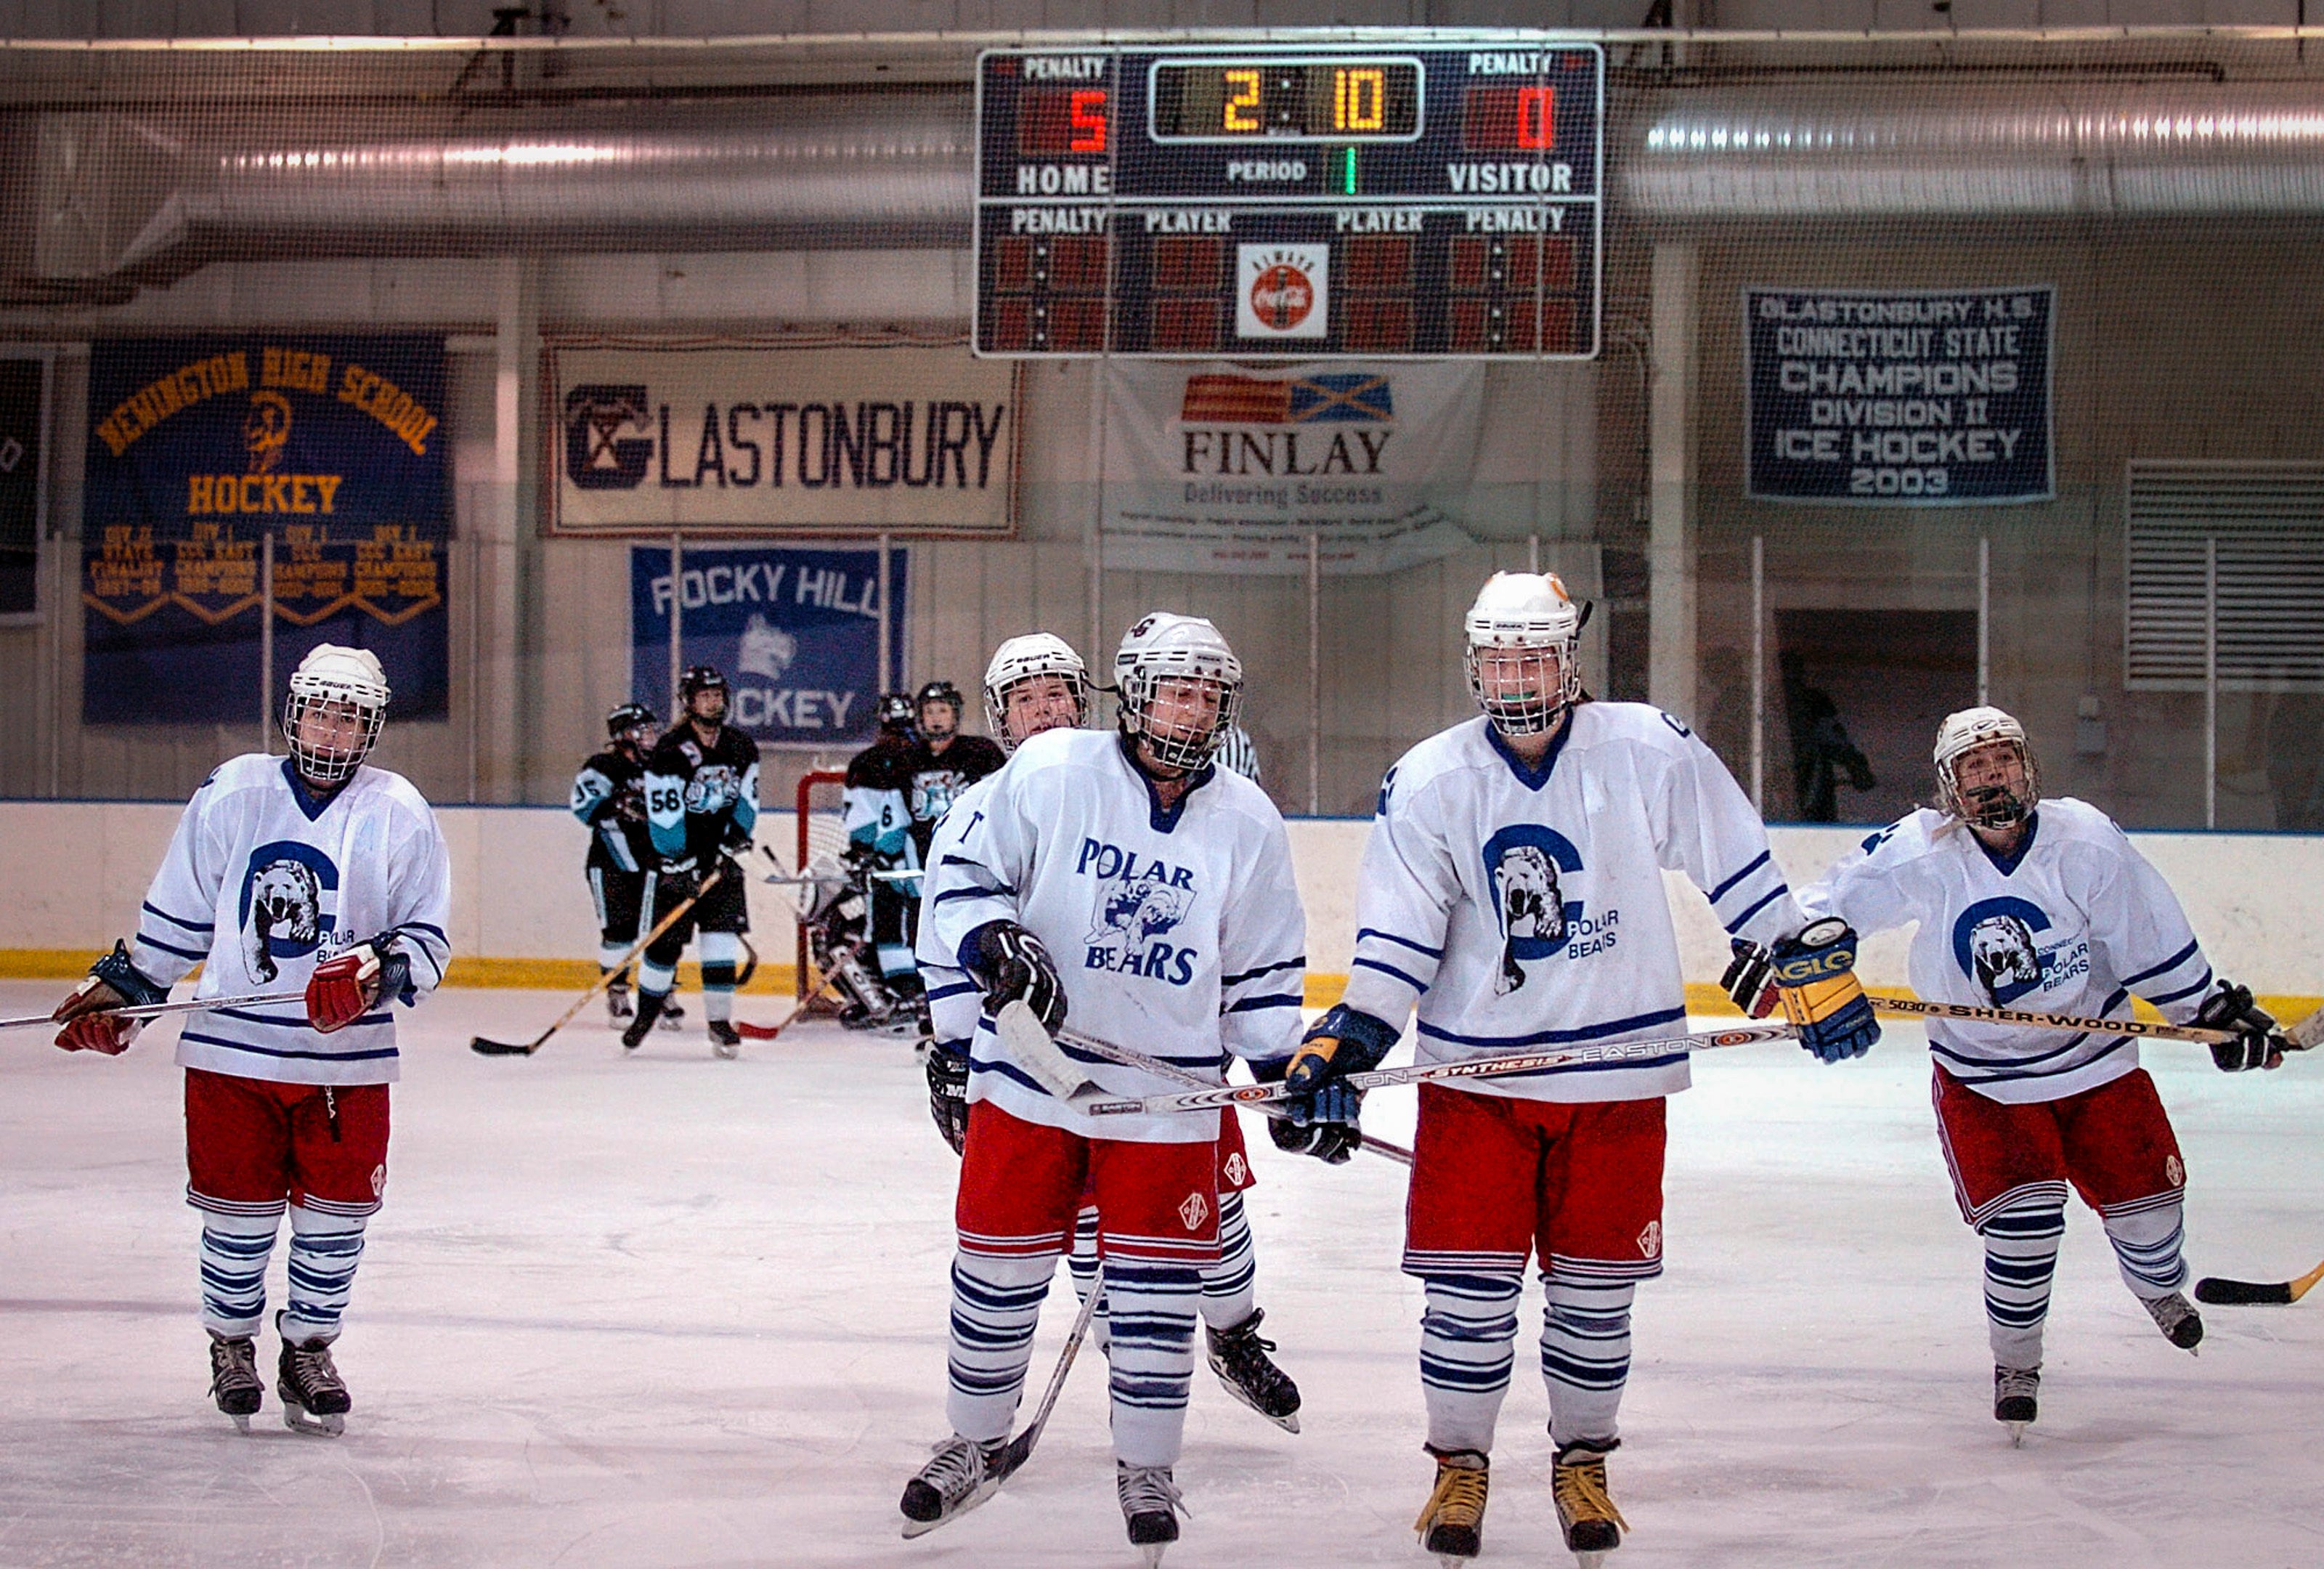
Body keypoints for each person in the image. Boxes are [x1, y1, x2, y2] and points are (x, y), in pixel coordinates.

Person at [1281, 572, 1878, 1567]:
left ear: (1571, 660)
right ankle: (1460, 1466)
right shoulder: (1429, 780)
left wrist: (1794, 960)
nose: (1518, 677)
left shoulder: (1648, 747)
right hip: (1479, 1090)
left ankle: (1584, 1459)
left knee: (1597, 1300)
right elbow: (1395, 945)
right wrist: (1349, 1040)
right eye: (1501, 659)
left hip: (1618, 1081)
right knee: (1467, 1303)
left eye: (1537, 656)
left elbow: (1735, 860)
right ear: (1476, 664)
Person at [1733, 705, 2289, 1439]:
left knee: (2151, 1217)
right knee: (2021, 1236)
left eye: (2001, 761)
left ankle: (2157, 1289)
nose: (1990, 776)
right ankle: (2015, 1361)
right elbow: (1829, 906)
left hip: (2095, 1068)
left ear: (2026, 768)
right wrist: (1772, 950)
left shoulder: (2082, 841)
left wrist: (2209, 1010)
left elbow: (2146, 933)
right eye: (1973, 767)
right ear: (1947, 786)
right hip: (1983, 1082)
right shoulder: (1920, 851)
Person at [899, 613, 1307, 1561]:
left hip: (1165, 1110)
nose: (1191, 709)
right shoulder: (1051, 777)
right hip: (1032, 1083)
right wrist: (986, 953)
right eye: (1176, 687)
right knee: (996, 1274)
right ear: (1132, 690)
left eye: (1209, 694)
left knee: (1158, 1290)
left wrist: (1290, 1072)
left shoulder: (1246, 817)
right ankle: (970, 1439)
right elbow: (961, 880)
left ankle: (1148, 1463)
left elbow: (1261, 973)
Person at [49, 643, 451, 1438]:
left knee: (336, 1220)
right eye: (319, 712)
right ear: (293, 712)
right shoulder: (234, 791)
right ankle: (231, 1344)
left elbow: (427, 943)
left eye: (349, 718)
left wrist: (376, 972)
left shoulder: (398, 809)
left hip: (347, 1062)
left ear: (371, 728)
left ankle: (306, 1349)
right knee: (235, 1219)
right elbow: (181, 910)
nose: (331, 732)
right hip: (232, 1055)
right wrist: (128, 988)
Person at [622, 666, 760, 1058]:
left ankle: (720, 1024)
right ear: (689, 702)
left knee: (720, 941)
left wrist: (736, 838)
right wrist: (678, 862)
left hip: (721, 863)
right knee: (664, 949)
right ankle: (645, 1015)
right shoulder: (670, 751)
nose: (713, 702)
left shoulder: (740, 746)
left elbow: (747, 800)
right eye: (705, 696)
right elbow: (664, 815)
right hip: (677, 864)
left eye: (717, 695)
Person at [569, 701, 681, 1031]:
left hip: (655, 864)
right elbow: (584, 806)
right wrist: (618, 803)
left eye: (651, 730)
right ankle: (618, 994)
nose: (650, 736)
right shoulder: (603, 766)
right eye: (642, 730)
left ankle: (660, 994)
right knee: (619, 933)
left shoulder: (660, 766)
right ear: (623, 735)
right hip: (611, 865)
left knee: (660, 931)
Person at [841, 691, 927, 1020]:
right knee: (892, 927)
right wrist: (866, 853)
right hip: (900, 861)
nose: (900, 741)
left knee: (898, 926)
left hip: (902, 861)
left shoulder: (872, 762)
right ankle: (909, 994)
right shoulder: (915, 757)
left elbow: (866, 824)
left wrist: (866, 852)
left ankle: (912, 994)